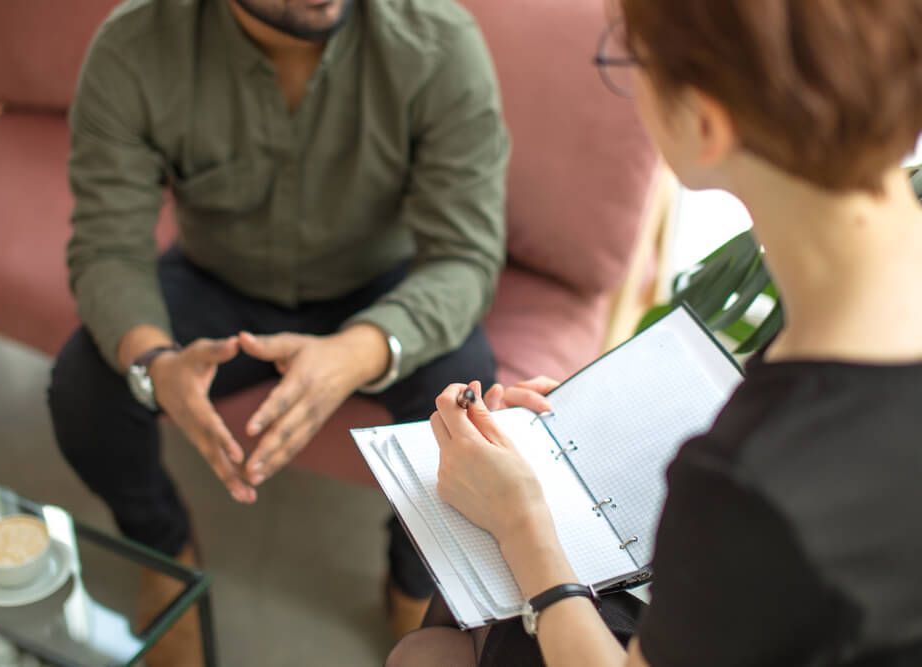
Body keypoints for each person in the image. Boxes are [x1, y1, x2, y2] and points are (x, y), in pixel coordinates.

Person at [388, 0, 922, 665]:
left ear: (706, 124)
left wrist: (523, 521)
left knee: (427, 653)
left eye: (630, 59)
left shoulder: (753, 480)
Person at [46, 0, 507, 661]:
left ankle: (416, 576)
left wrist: (356, 350)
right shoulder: (136, 47)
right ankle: (164, 546)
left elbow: (465, 255)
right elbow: (107, 247)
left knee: (467, 391)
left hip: (379, 288)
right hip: (217, 281)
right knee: (83, 389)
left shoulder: (437, 42)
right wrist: (154, 360)